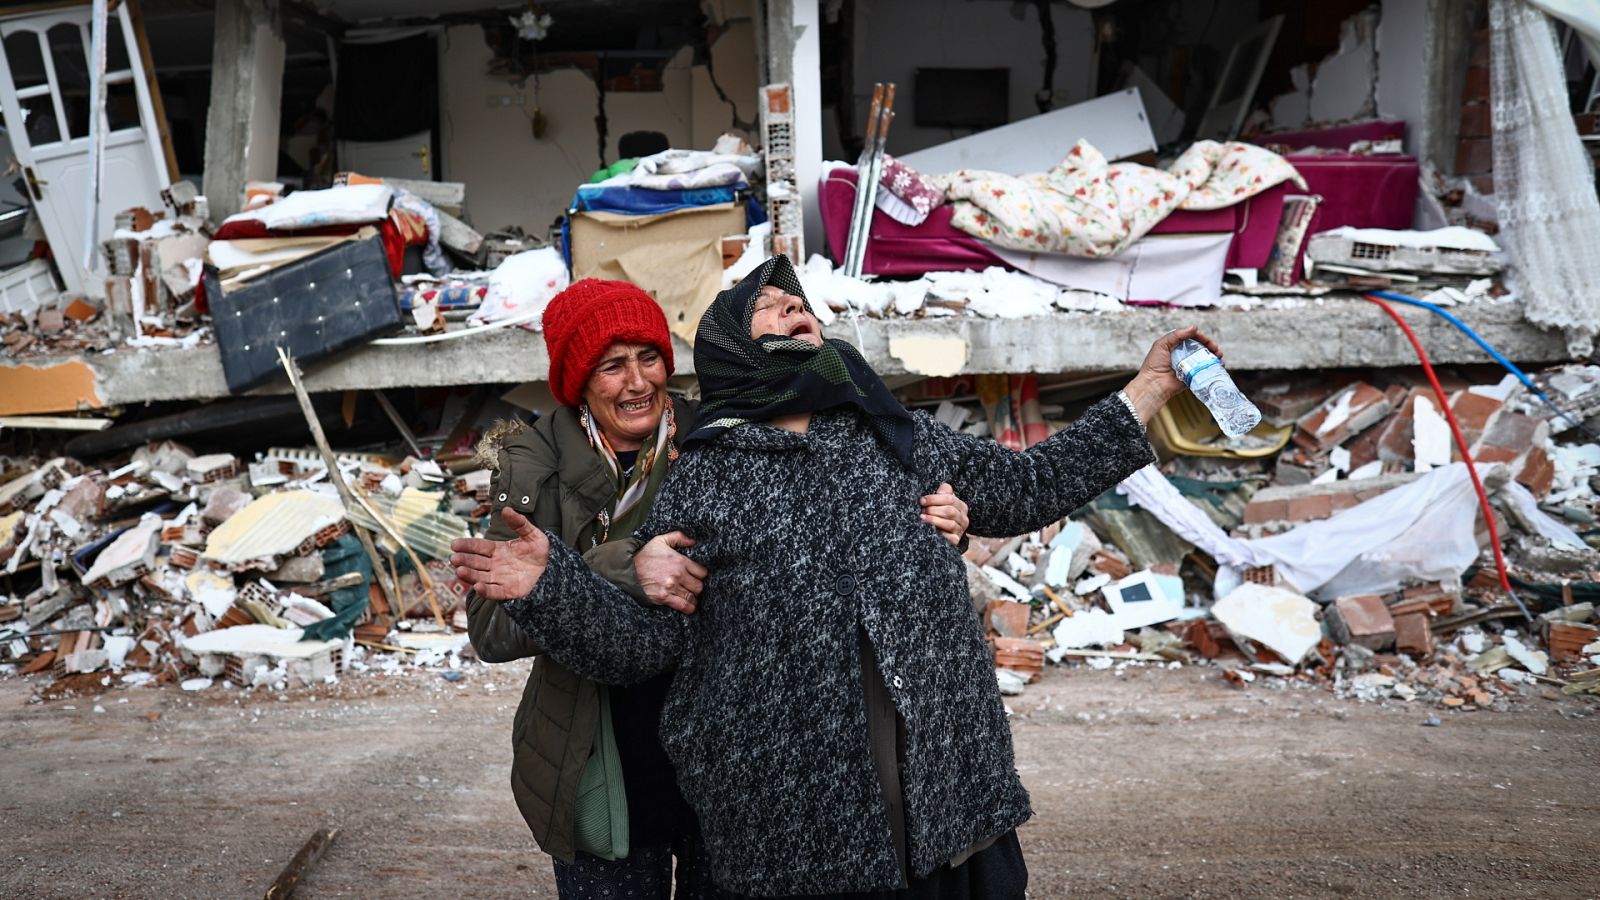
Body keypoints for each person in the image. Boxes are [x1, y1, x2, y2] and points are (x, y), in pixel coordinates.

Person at [454, 256, 1219, 898]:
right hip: (798, 819)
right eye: (774, 307)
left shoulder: (896, 436)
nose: (798, 311)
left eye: (803, 306)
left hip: (945, 796)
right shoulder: (708, 473)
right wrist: (554, 587)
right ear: (733, 345)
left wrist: (1150, 387)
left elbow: (1030, 485)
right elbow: (649, 644)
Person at [465, 275, 972, 899]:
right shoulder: (532, 468)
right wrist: (620, 565)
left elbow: (837, 522)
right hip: (604, 754)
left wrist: (935, 526)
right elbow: (490, 628)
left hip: (733, 748)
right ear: (578, 381)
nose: (638, 382)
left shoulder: (723, 428)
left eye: (649, 358)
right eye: (612, 367)